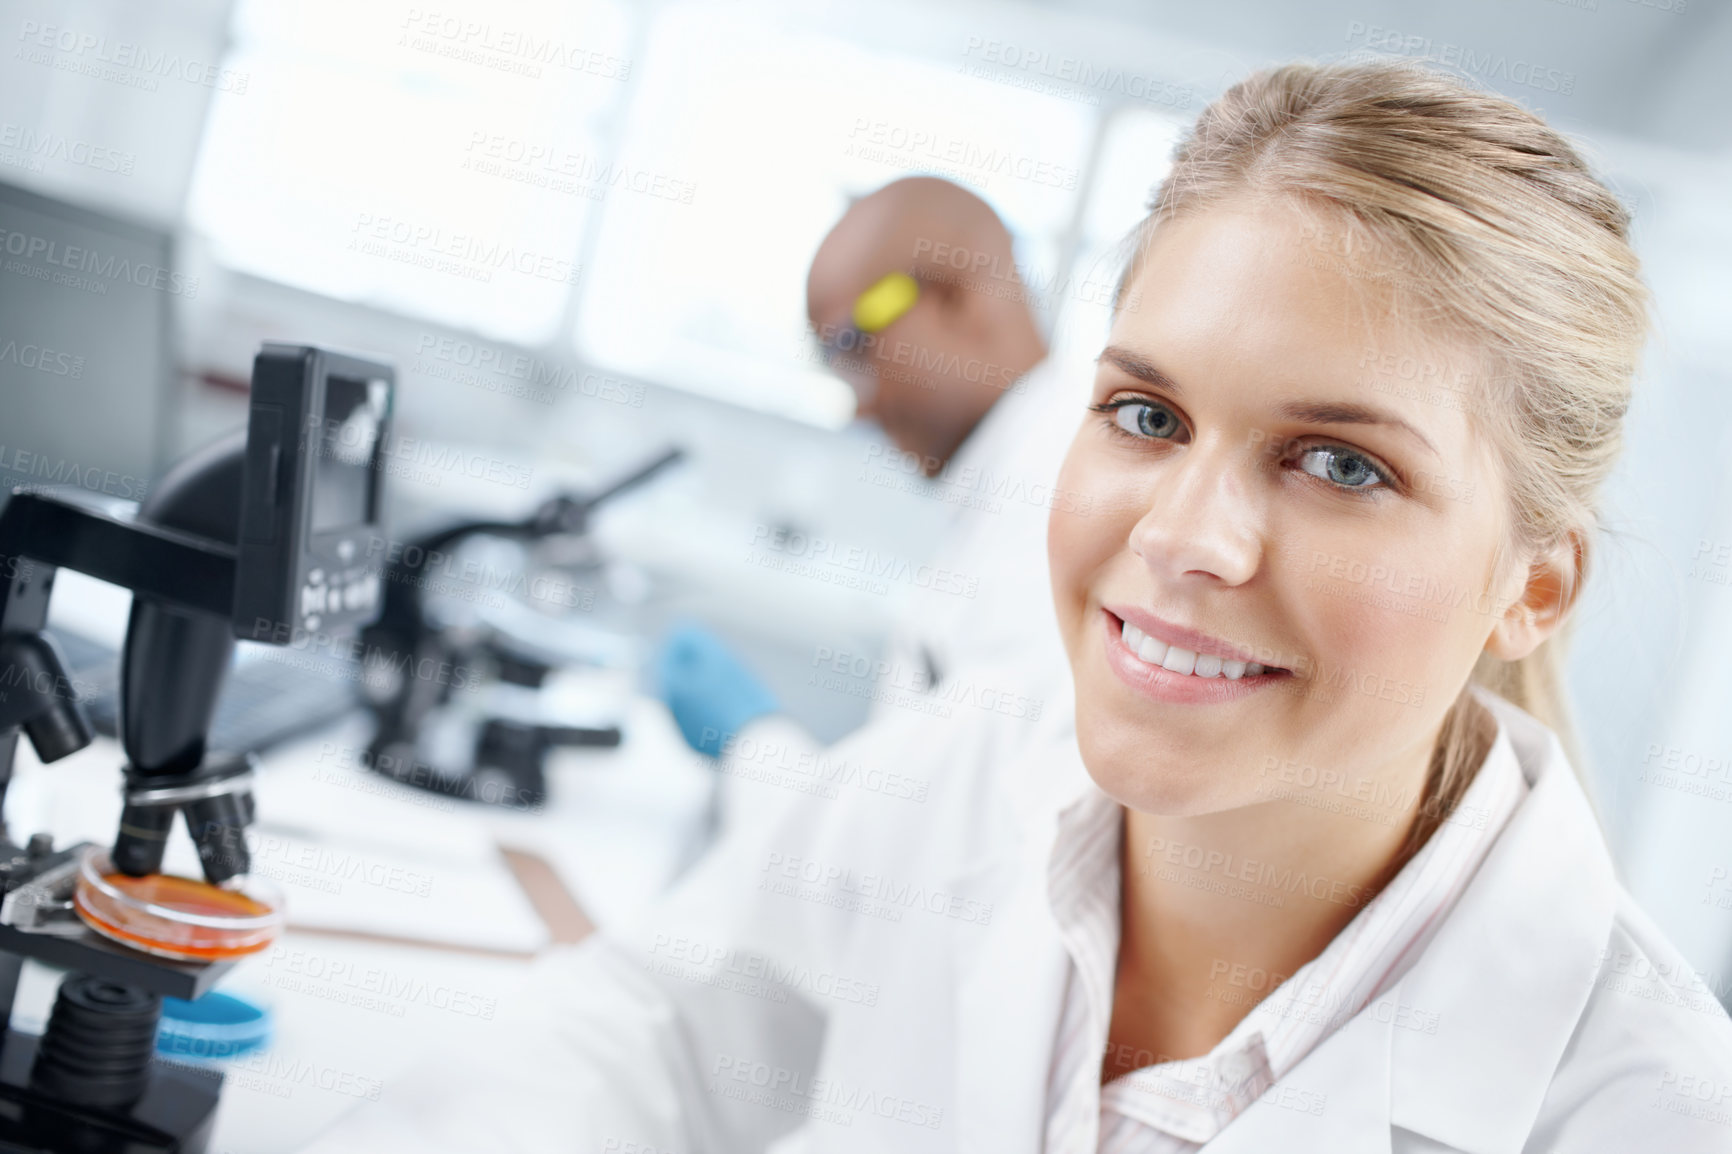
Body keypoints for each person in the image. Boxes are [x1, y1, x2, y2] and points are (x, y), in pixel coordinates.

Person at [302, 60, 1732, 1153]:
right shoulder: (970, 764)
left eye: (1342, 463)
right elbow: (648, 1029)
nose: (1181, 537)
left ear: (1533, 584)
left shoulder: (1644, 1108)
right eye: (1147, 415)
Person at [660, 178, 1080, 797]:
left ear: (955, 297)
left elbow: (947, 820)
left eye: (853, 345)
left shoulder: (1059, 504)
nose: (857, 408)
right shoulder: (1010, 481)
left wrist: (754, 747)